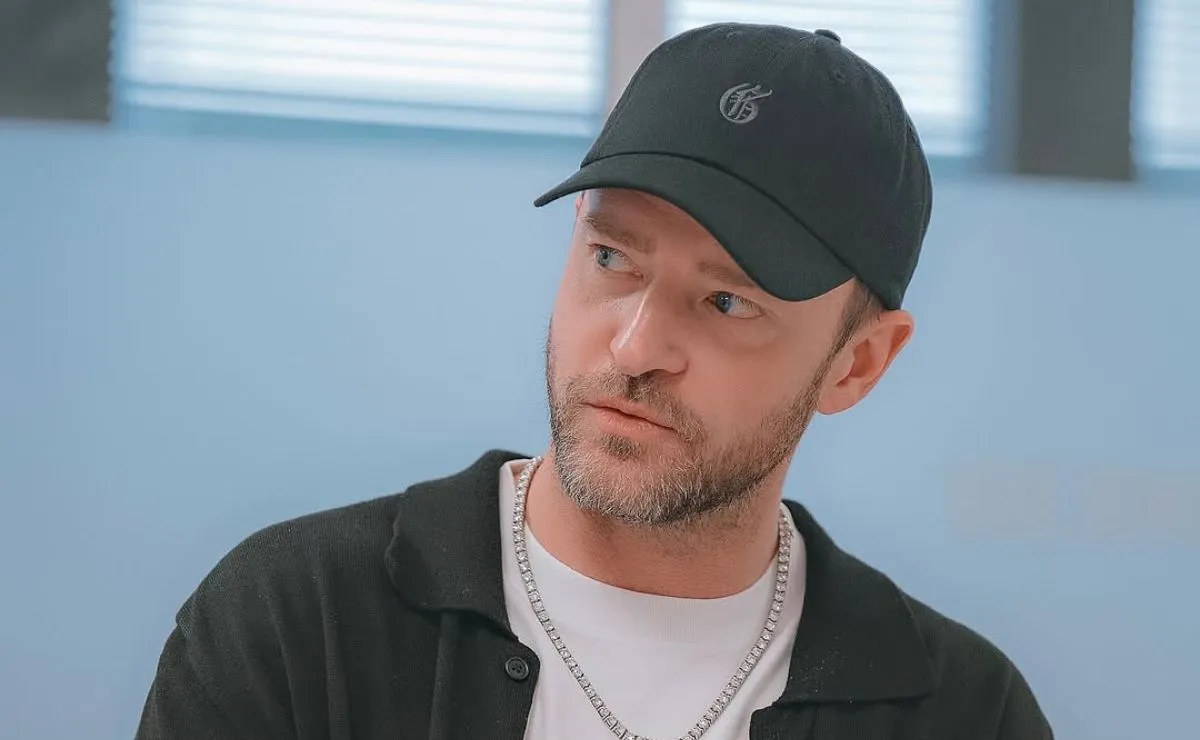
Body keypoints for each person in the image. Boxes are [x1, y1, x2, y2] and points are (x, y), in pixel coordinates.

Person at [135, 22, 1053, 740]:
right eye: (612, 256)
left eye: (728, 302)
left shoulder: (963, 715)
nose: (636, 345)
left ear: (858, 363)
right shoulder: (302, 623)